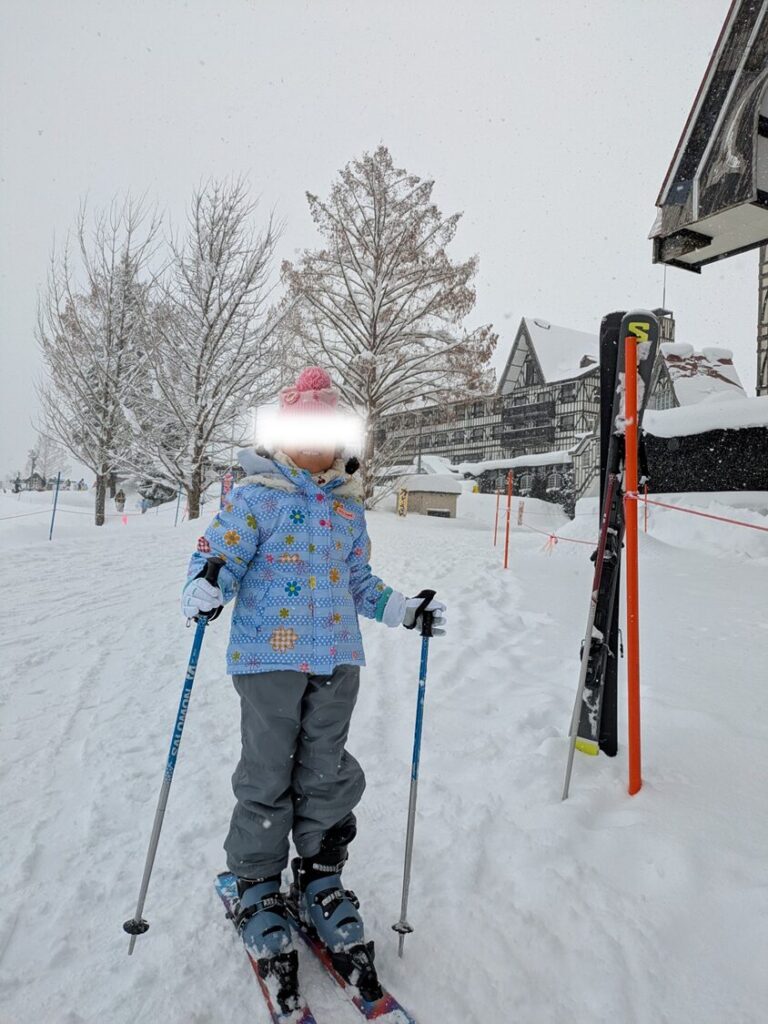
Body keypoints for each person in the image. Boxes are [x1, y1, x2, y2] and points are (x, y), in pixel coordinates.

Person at [181, 367, 446, 1009]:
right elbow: (216, 555)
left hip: (336, 662)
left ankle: (321, 879)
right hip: (267, 662)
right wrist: (206, 581)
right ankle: (256, 885)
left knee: (325, 770)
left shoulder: (347, 509)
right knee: (268, 772)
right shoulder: (257, 497)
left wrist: (404, 610)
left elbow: (360, 584)